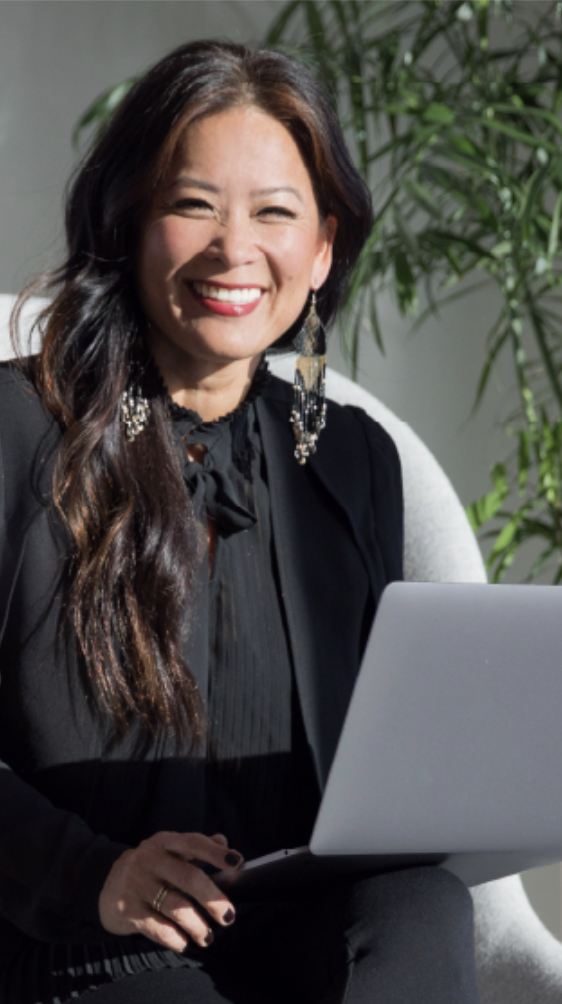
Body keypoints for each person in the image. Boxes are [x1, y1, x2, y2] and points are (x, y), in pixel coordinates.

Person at [0, 40, 482, 1004]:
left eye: (275, 212)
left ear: (323, 248)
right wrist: (97, 876)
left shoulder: (351, 457)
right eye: (193, 205)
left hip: (287, 924)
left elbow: (379, 748)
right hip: (79, 940)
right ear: (127, 221)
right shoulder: (17, 430)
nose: (234, 249)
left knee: (426, 910)